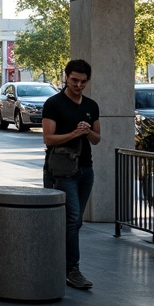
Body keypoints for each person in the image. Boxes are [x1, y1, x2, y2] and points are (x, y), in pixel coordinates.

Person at [42, 59, 101, 290]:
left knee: (74, 223)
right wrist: (75, 133)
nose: (78, 85)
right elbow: (48, 138)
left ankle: (58, 262)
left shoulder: (91, 105)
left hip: (86, 169)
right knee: (72, 219)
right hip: (61, 170)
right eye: (74, 80)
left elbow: (97, 138)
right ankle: (72, 270)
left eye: (83, 81)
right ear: (66, 77)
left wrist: (87, 133)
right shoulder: (54, 103)